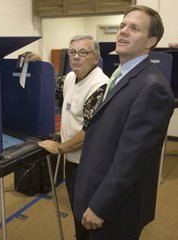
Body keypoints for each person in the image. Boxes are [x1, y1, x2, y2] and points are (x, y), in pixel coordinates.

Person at [73, 5, 175, 240]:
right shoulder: (121, 75)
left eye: (134, 28)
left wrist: (101, 207)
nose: (123, 31)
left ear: (151, 41)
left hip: (113, 210)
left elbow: (132, 160)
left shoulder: (153, 88)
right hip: (95, 187)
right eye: (122, 26)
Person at [34, 34, 109, 238]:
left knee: (89, 215)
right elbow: (51, 87)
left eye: (83, 52)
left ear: (96, 57)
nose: (76, 57)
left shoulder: (100, 86)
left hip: (89, 164)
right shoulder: (70, 78)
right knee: (78, 211)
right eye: (72, 52)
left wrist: (59, 148)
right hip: (72, 159)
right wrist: (38, 65)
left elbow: (88, 133)